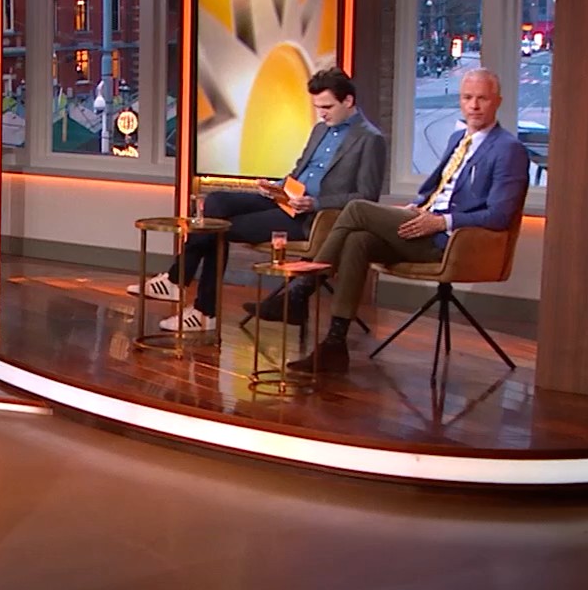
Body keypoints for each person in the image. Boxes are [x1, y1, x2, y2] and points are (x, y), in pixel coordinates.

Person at [282, 69, 529, 375]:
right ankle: (335, 345)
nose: (474, 106)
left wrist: (442, 222)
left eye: (482, 99)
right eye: (467, 98)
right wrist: (418, 205)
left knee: (357, 208)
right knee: (358, 240)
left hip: (451, 241)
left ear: (498, 102)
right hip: (422, 224)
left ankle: (305, 285)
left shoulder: (508, 149)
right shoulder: (458, 137)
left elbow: (500, 216)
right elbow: (436, 189)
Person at [129, 67, 386, 331]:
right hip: (287, 200)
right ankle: (179, 285)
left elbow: (366, 197)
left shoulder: (370, 140)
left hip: (313, 217)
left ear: (348, 101)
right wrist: (277, 186)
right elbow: (300, 171)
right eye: (317, 107)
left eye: (327, 107)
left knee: (217, 229)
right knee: (216, 201)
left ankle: (199, 306)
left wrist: (315, 203)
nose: (321, 113)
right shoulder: (320, 129)